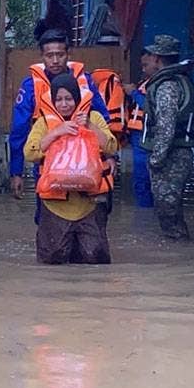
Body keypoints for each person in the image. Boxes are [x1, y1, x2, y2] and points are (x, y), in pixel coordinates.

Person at [9, 29, 110, 222]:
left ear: (68, 54)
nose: (55, 60)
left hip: (85, 163)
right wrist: (16, 172)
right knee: (46, 220)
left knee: (91, 219)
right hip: (48, 163)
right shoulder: (31, 85)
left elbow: (102, 119)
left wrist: (111, 156)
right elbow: (19, 130)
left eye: (60, 54)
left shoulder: (85, 81)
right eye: (49, 55)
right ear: (42, 56)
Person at [24, 73, 118, 264]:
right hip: (55, 205)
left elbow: (111, 146)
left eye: (69, 99)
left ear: (77, 98)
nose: (64, 104)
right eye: (58, 99)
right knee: (52, 260)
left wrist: (90, 126)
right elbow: (29, 153)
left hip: (90, 203)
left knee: (96, 258)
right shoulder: (44, 122)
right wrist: (56, 133)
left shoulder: (94, 117)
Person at [137, 35, 194, 239]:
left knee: (167, 208)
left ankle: (178, 247)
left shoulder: (167, 85)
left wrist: (156, 159)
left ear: (157, 58)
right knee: (171, 208)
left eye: (151, 56)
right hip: (175, 153)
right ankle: (179, 251)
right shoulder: (175, 80)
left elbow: (166, 125)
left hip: (171, 156)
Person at [123, 74, 154, 208]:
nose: (143, 69)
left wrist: (133, 93)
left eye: (146, 65)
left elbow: (150, 108)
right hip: (138, 135)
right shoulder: (146, 82)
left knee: (143, 178)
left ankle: (145, 214)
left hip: (145, 136)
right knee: (141, 178)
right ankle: (145, 220)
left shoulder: (158, 85)